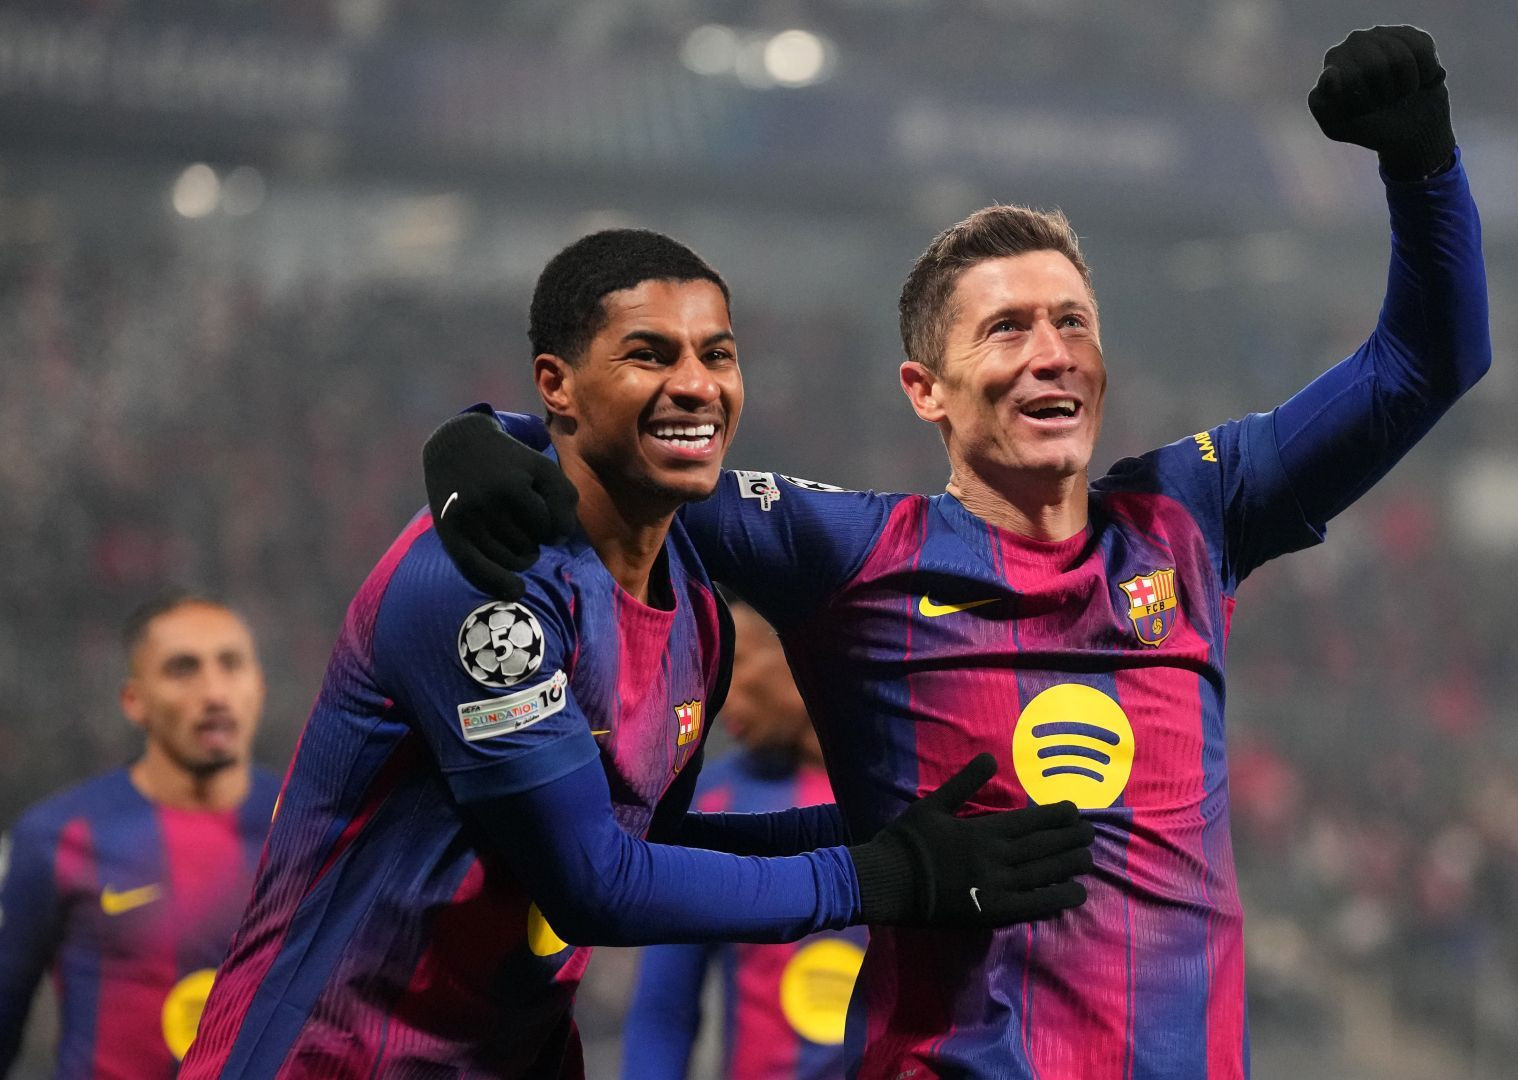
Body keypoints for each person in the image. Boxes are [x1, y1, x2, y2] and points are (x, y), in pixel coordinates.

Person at [425, 25, 1491, 1079]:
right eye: (1007, 328)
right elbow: (620, 460)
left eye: (1073, 323)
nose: (1051, 354)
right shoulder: (849, 553)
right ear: (924, 390)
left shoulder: (1189, 514)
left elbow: (1423, 364)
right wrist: (487, 437)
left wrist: (1423, 166)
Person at [179, 230, 1092, 1079]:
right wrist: (886, 877)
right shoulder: (483, 587)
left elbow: (644, 841)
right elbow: (595, 886)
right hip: (327, 1059)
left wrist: (876, 829)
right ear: (557, 383)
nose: (695, 384)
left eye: (717, 355)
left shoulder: (697, 607)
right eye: (649, 354)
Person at [0, 594, 278, 1080]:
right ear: (134, 701)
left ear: (259, 685)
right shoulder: (59, 837)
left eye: (231, 664)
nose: (214, 692)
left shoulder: (311, 829)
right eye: (182, 668)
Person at [621, 599, 869, 1079]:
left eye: (735, 662)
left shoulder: (902, 785)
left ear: (796, 652)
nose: (721, 693)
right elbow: (664, 1009)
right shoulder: (713, 805)